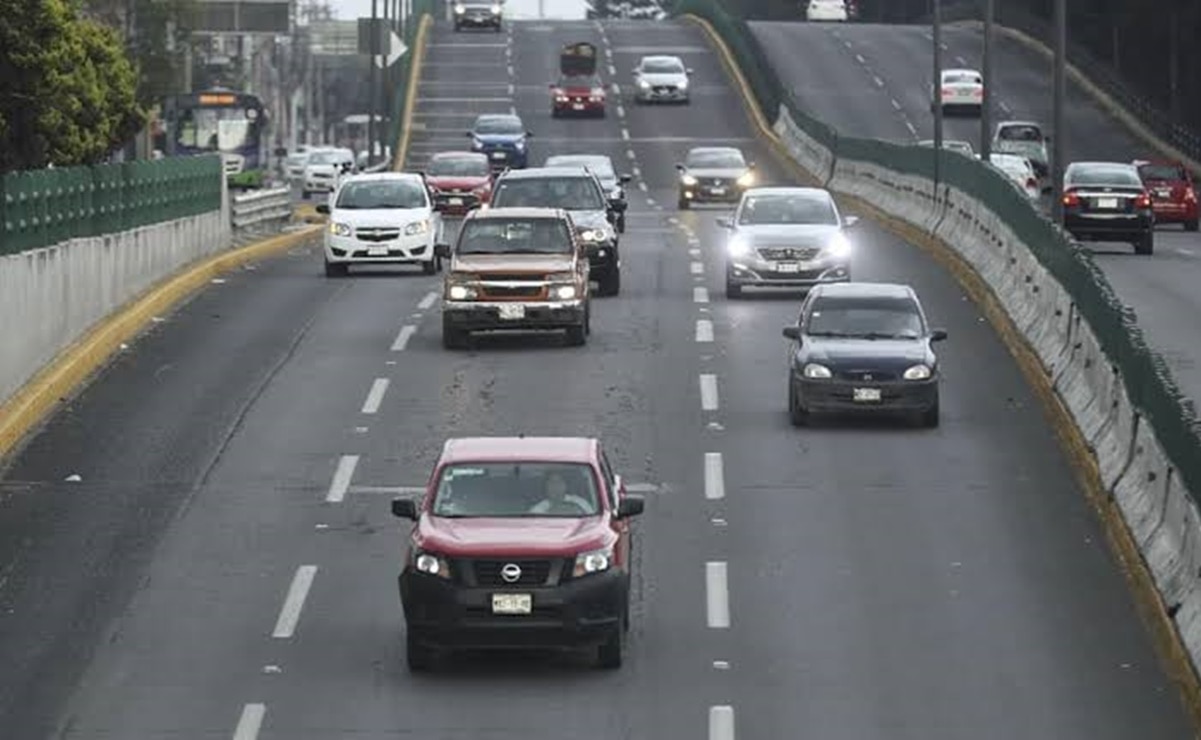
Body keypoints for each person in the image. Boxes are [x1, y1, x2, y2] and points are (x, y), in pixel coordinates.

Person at [529, 471, 594, 515]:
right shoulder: (536, 510)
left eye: (559, 482)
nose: (555, 486)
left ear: (566, 485)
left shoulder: (581, 503)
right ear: (545, 486)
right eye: (551, 483)